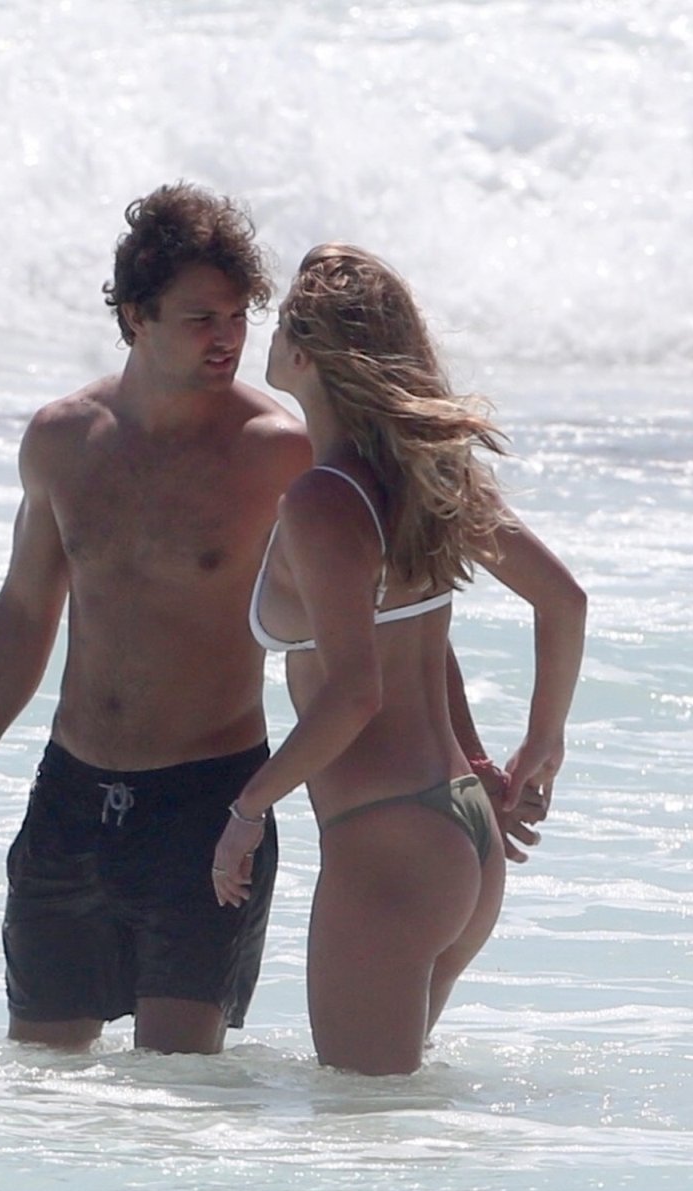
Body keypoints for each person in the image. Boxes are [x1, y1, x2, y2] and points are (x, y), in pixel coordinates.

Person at [0, 183, 310, 1055]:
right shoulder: (64, 440)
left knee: (175, 1103)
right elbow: (24, 613)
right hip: (70, 801)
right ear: (136, 316)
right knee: (41, 1087)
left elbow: (358, 621)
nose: (227, 338)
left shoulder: (276, 452)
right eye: (200, 319)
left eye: (238, 317)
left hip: (207, 810)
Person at [209, 244, 587, 1076]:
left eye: (281, 324)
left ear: (308, 355)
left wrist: (248, 810)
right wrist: (532, 746)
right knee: (394, 1126)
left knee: (360, 1128)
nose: (268, 337)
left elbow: (355, 694)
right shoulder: (426, 478)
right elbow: (560, 603)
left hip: (388, 850)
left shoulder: (324, 499)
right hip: (464, 832)